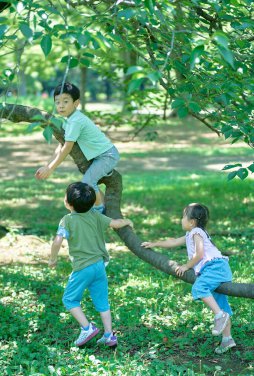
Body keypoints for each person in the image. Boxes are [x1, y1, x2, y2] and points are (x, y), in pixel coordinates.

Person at [141, 203, 236, 354]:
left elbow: (199, 254)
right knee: (220, 303)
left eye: (183, 216)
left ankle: (220, 316)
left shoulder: (196, 232)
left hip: (215, 268)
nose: (181, 219)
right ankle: (227, 339)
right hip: (216, 269)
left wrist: (186, 266)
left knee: (199, 288)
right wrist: (154, 243)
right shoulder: (191, 234)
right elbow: (172, 242)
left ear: (192, 221)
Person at [49, 182, 133, 347]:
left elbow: (58, 240)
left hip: (83, 268)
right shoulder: (96, 215)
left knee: (69, 299)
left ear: (68, 203)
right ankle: (109, 335)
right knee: (102, 301)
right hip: (99, 266)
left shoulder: (67, 220)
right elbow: (115, 223)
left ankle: (87, 328)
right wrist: (127, 221)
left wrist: (53, 258)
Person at [35, 82, 120, 214]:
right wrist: (47, 166)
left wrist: (51, 169)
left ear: (76, 103)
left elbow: (67, 148)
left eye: (65, 101)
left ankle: (99, 211)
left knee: (88, 182)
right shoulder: (68, 120)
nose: (61, 105)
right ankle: (102, 205)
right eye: (57, 102)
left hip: (107, 156)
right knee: (91, 181)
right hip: (99, 156)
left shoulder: (75, 121)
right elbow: (61, 145)